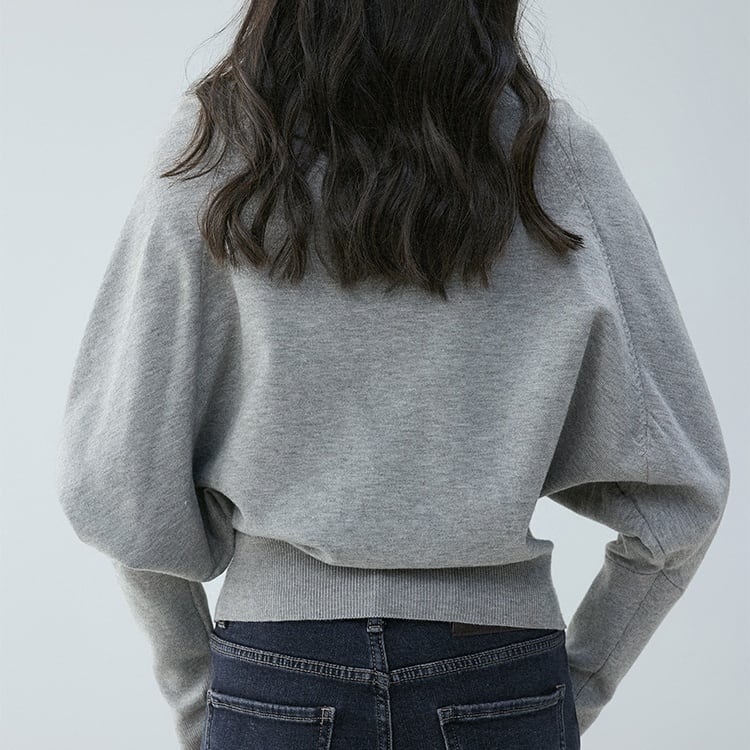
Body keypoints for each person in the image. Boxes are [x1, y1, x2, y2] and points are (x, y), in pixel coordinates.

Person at [54, 1, 731, 748]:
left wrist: (201, 698)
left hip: (274, 671)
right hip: (499, 669)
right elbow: (680, 503)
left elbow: (119, 483)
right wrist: (574, 690)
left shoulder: (216, 150)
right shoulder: (554, 156)